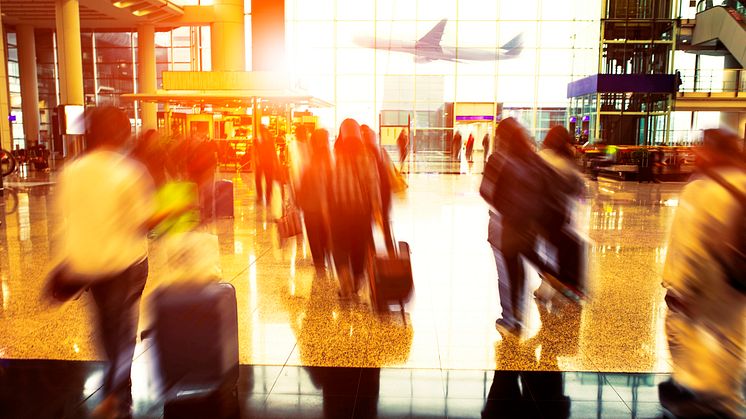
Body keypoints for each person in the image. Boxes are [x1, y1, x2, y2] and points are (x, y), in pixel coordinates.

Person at [53, 106, 161, 418]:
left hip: (90, 267)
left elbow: (68, 218)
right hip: (125, 265)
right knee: (123, 332)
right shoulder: (127, 172)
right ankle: (118, 394)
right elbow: (142, 221)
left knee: (105, 329)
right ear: (122, 134)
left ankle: (117, 389)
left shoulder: (71, 172)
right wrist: (169, 210)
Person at [659, 128, 746, 419]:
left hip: (702, 296)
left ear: (712, 152)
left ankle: (708, 405)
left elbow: (688, 248)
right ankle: (726, 402)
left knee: (698, 362)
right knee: (730, 353)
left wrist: (679, 289)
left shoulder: (701, 190)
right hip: (735, 292)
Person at [487, 118, 545, 336]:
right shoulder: (533, 159)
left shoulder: (498, 159)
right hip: (529, 225)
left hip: (503, 224)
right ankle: (519, 312)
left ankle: (510, 319)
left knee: (506, 273)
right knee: (519, 269)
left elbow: (487, 191)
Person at [534, 126, 586, 303]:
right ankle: (565, 284)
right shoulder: (566, 159)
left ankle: (546, 286)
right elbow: (578, 188)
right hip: (562, 213)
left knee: (545, 251)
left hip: (541, 213)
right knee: (560, 249)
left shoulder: (542, 157)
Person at [330, 119, 381, 298]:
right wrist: (376, 209)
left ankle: (344, 277)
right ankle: (357, 279)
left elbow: (330, 185)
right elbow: (373, 185)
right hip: (361, 212)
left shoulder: (336, 156)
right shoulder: (367, 156)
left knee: (339, 246)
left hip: (339, 211)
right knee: (359, 246)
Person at [297, 128, 333, 277]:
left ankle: (319, 263)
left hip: (311, 206)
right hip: (326, 206)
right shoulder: (330, 159)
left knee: (313, 233)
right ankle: (324, 256)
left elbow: (304, 181)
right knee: (324, 232)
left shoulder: (312, 160)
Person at [362, 124, 394, 253]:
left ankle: (373, 252)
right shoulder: (380, 151)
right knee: (382, 223)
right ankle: (388, 250)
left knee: (371, 225)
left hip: (376, 193)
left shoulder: (366, 154)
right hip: (381, 193)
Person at [254, 126, 279, 206]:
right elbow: (255, 151)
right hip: (261, 163)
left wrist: (276, 161)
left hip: (268, 162)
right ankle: (261, 196)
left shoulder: (269, 139)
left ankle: (267, 197)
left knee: (268, 180)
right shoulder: (258, 139)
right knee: (259, 179)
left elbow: (273, 150)